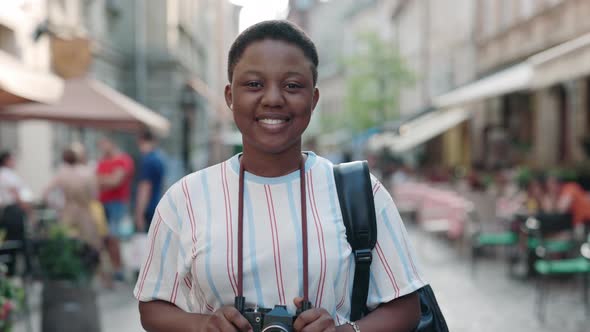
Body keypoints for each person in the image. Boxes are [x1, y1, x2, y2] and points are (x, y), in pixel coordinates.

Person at [135, 20, 425, 332]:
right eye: (254, 85)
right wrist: (204, 325)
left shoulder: (361, 192)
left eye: (292, 86)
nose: (273, 98)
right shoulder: (185, 199)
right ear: (230, 96)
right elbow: (152, 306)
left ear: (313, 100)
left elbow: (406, 306)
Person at [42, 147, 102, 251]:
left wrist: (55, 206)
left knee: (66, 244)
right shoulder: (87, 173)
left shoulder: (62, 174)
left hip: (67, 211)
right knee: (91, 245)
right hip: (85, 210)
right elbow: (94, 195)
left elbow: (45, 192)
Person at [96, 137, 134, 281]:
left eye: (104, 144)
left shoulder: (123, 160)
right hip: (103, 203)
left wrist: (101, 179)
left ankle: (119, 269)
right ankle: (114, 267)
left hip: (117, 203)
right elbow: (97, 181)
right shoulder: (102, 162)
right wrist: (106, 179)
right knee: (106, 238)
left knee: (114, 236)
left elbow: (115, 181)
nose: (102, 148)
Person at [0, 151, 32, 275]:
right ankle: (22, 271)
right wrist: (27, 209)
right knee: (18, 242)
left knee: (10, 241)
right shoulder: (7, 174)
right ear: (7, 160)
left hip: (7, 211)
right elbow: (15, 193)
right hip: (13, 210)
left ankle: (9, 270)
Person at [134, 130, 166, 233]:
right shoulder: (159, 158)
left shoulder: (148, 161)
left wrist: (139, 213)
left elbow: (145, 187)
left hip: (148, 208)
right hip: (157, 204)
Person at [543, 175, 590, 240]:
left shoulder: (569, 188)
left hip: (585, 222)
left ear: (557, 184)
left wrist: (552, 196)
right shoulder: (561, 193)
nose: (549, 188)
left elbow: (561, 209)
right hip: (580, 223)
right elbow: (548, 211)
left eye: (550, 185)